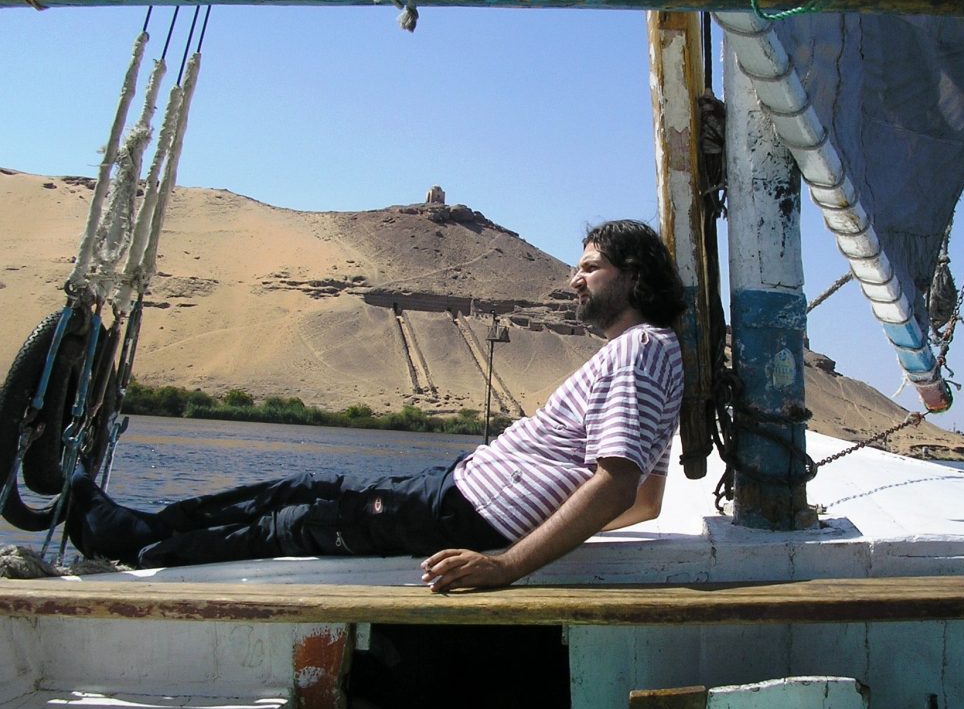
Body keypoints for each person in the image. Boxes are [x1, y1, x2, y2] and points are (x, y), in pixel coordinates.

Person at [66, 219, 686, 592]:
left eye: (590, 268)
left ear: (633, 276)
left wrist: (509, 562)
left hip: (466, 514)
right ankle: (150, 529)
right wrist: (543, 522)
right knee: (300, 489)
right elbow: (646, 503)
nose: (574, 279)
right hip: (463, 496)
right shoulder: (651, 357)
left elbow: (615, 485)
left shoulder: (641, 350)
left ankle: (140, 545)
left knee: (298, 521)